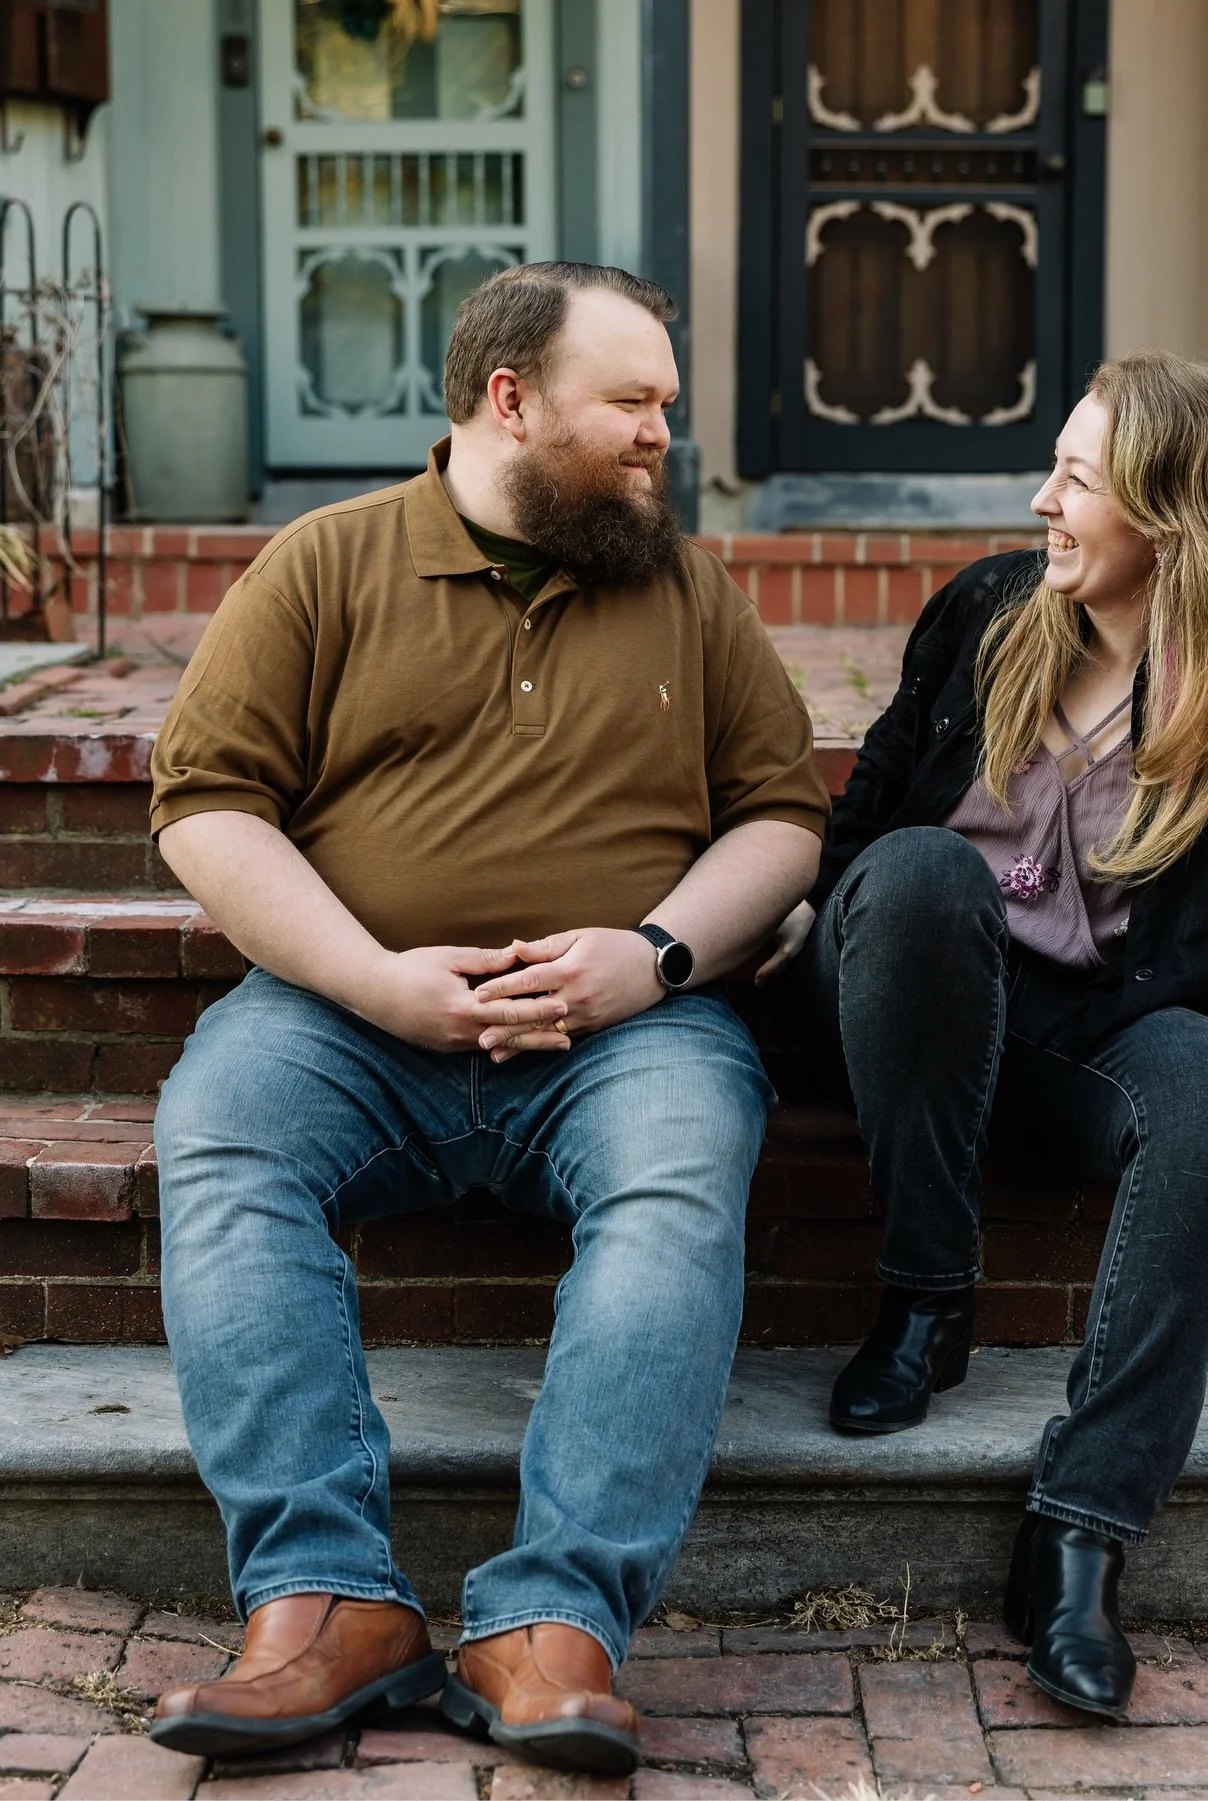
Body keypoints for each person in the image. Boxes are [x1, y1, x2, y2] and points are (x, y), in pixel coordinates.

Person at [144, 262, 828, 1776]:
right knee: (222, 1130)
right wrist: (373, 978)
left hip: (627, 1039)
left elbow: (783, 819)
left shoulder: (683, 586)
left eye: (668, 401)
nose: (665, 432)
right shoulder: (324, 566)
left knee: (680, 1163)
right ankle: (326, 1607)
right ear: (510, 403)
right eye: (633, 402)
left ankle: (551, 1626)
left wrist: (650, 958)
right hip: (351, 1021)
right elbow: (206, 809)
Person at [758, 352, 1208, 1720]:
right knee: (930, 878)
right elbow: (872, 817)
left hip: (1082, 1031)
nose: (1044, 498)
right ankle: (926, 1298)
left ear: (1171, 518)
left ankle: (1080, 1530)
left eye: (1078, 477)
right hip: (896, 1002)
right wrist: (798, 917)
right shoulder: (992, 610)